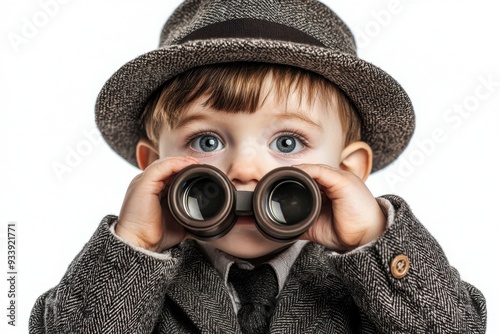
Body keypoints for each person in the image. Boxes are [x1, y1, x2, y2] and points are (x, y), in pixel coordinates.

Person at [29, 0, 487, 333]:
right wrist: (132, 248)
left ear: (349, 173)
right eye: (206, 140)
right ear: (151, 168)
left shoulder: (370, 287)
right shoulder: (131, 282)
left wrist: (373, 241)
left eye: (287, 142)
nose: (244, 169)